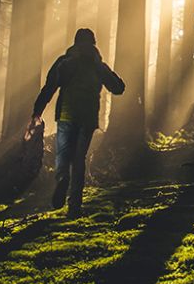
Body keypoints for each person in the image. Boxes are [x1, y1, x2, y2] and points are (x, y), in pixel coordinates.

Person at [32, 28, 125, 218]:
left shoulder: (64, 63)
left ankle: (62, 179)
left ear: (75, 42)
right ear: (93, 43)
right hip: (88, 117)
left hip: (66, 115)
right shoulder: (97, 65)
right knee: (79, 158)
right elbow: (118, 88)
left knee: (64, 155)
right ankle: (74, 206)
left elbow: (49, 88)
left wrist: (37, 112)